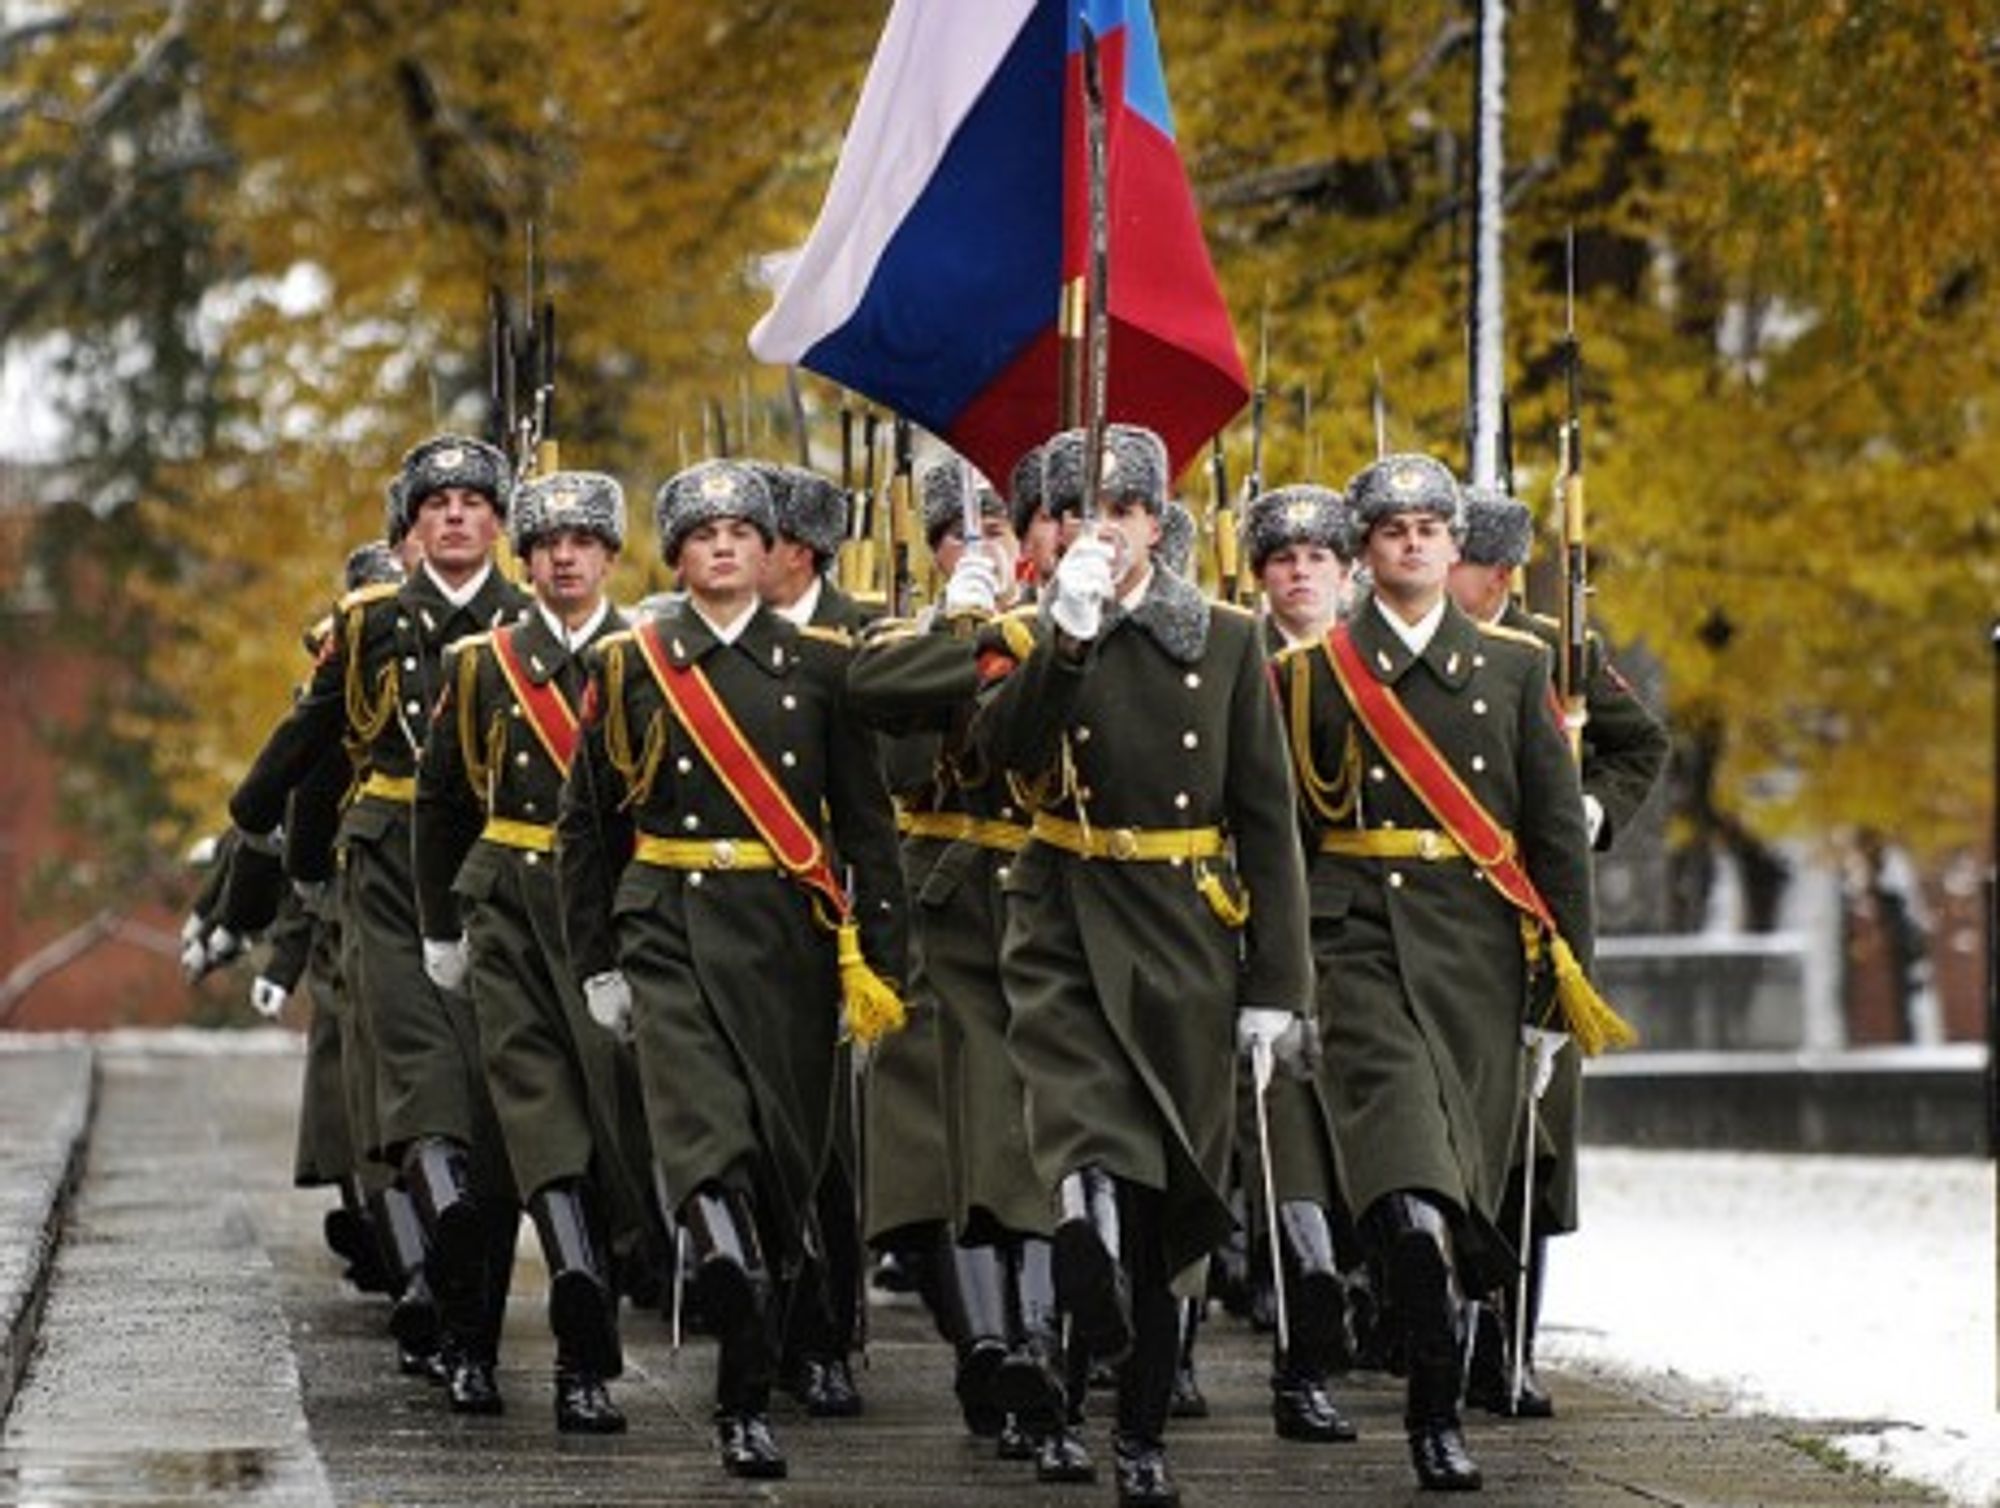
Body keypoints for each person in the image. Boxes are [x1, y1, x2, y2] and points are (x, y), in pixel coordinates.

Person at [969, 423, 1313, 1508]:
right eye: (1074, 511)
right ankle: (1083, 1269)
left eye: (1117, 511)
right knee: (1085, 1135)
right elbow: (996, 758)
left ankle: (1143, 1430)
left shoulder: (1222, 637)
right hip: (1063, 915)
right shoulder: (1028, 631)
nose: (1095, 531)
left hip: (1184, 934)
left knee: (1174, 1201)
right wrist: (1061, 640)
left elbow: (1267, 819)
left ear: (1154, 527)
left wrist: (1275, 986)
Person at [557, 459, 907, 1480]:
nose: (720, 543)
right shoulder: (632, 666)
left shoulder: (823, 667)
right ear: (675, 555)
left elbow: (866, 827)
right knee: (705, 1142)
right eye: (701, 530)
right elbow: (590, 826)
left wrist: (875, 964)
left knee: (785, 1168)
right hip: (665, 929)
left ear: (769, 554)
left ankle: (759, 1322)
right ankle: (733, 1348)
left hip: (788, 943)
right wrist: (598, 962)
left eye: (740, 531)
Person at [1275, 452, 1598, 1492]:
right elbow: (1276, 837)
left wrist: (1560, 995)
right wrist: (1274, 983)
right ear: (1364, 553)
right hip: (1356, 946)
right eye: (1390, 528)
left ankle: (1436, 1381)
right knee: (1410, 1186)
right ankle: (1430, 1415)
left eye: (1428, 525)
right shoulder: (1307, 674)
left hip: (1480, 958)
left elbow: (1553, 840)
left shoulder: (1510, 669)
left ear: (1455, 545)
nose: (1411, 540)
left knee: (1460, 1199)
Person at [230, 435, 528, 1412]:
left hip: (500, 868)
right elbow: (314, 744)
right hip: (391, 869)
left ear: (499, 522)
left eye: (472, 501)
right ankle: (441, 1238)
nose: (453, 515)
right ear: (407, 528)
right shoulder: (365, 624)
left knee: (496, 1096)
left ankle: (464, 1319)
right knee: (419, 1076)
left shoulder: (529, 623)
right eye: (433, 502)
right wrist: (279, 842)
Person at [849, 455, 1095, 1479]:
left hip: (1052, 906)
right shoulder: (903, 638)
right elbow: (900, 756)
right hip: (941, 910)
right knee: (946, 1145)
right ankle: (983, 1343)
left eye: (1006, 525)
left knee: (1038, 1139)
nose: (987, 544)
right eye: (964, 529)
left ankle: (1037, 1346)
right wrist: (966, 632)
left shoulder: (1080, 627)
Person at [414, 470, 661, 1433]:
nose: (564, 556)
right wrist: (441, 928)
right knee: (532, 1119)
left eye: (582, 542)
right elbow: (441, 802)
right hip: (512, 913)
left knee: (568, 1145)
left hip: (604, 916)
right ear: (527, 561)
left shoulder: (646, 658)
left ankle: (475, 1336)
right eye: (547, 543)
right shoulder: (482, 666)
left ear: (610, 556)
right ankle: (571, 1363)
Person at [1447, 484, 1668, 1417]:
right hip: (1440, 903)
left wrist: (1589, 810)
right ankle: (1442, 1324)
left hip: (1539, 914)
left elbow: (1640, 744)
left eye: (1455, 556)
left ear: (1496, 572)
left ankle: (1513, 1346)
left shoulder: (1558, 650)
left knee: (1534, 1147)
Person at [754, 458, 878, 1414]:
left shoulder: (864, 634)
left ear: (793, 550)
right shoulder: (683, 638)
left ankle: (829, 1331)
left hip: (826, 911)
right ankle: (771, 1318)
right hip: (716, 916)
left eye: (750, 536)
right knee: (746, 1135)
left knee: (826, 1142)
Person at [1244, 484, 1356, 652]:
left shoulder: (1370, 655)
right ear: (1259, 576)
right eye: (1283, 559)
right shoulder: (1237, 657)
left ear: (1343, 573)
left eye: (1316, 558)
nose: (1300, 571)